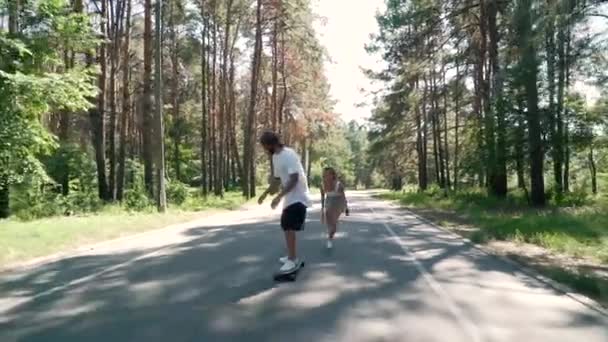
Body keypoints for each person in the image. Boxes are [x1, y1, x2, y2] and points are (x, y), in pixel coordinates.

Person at [258, 131, 311, 273]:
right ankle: (290, 256)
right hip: (290, 197)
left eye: (264, 146)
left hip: (299, 195)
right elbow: (276, 180)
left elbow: (294, 179)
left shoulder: (289, 154)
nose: (264, 149)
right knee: (286, 226)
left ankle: (292, 259)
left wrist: (279, 196)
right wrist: (265, 194)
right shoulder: (275, 157)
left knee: (288, 226)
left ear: (270, 144)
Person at [320, 167, 348, 249]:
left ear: (333, 175)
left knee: (333, 225)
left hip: (338, 203)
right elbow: (322, 197)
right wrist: (322, 209)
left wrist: (346, 207)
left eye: (329, 174)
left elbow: (343, 197)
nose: (327, 176)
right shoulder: (322, 184)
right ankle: (330, 233)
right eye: (325, 175)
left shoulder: (338, 185)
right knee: (329, 223)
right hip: (329, 202)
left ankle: (330, 238)